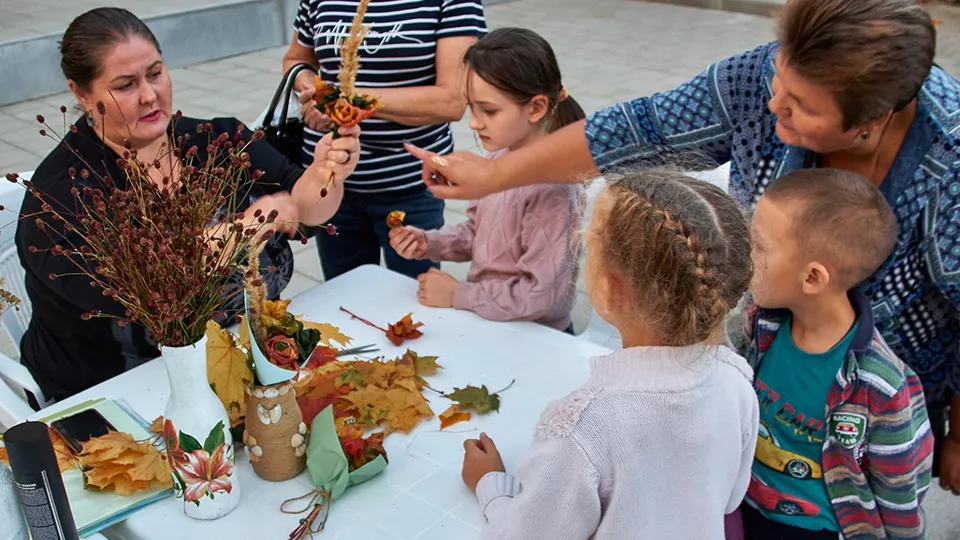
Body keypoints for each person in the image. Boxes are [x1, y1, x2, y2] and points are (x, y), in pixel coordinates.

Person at [409, 0, 960, 495]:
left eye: (798, 106)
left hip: (867, 421)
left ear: (871, 122)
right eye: (778, 80)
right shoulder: (760, 79)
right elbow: (634, 131)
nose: (771, 105)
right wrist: (494, 177)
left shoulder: (949, 163)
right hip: (759, 382)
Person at [15, 7, 360, 402]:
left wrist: (327, 172)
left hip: (241, 362)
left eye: (156, 73)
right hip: (115, 393)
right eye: (126, 85)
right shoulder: (65, 195)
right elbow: (151, 287)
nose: (149, 95)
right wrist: (242, 230)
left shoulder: (214, 141)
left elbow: (305, 207)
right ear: (81, 94)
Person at [460, 170, 759, 538]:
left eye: (589, 245)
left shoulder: (582, 430)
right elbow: (728, 499)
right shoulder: (736, 380)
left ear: (610, 288)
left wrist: (491, 487)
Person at [734, 169, 934, 539]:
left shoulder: (882, 386)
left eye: (758, 246)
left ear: (812, 278)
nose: (745, 254)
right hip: (745, 506)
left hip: (818, 530)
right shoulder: (760, 326)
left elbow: (900, 488)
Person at [387, 28, 584, 332]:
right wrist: (430, 242)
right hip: (490, 322)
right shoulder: (496, 160)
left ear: (536, 107)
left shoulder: (555, 189)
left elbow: (543, 296)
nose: (475, 122)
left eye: (489, 111)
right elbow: (478, 233)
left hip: (536, 338)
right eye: (472, 108)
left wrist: (458, 294)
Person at [281, 0, 486, 281]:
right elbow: (297, 60)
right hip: (330, 182)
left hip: (411, 183)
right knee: (346, 298)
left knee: (413, 303)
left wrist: (348, 100)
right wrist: (314, 91)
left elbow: (451, 100)